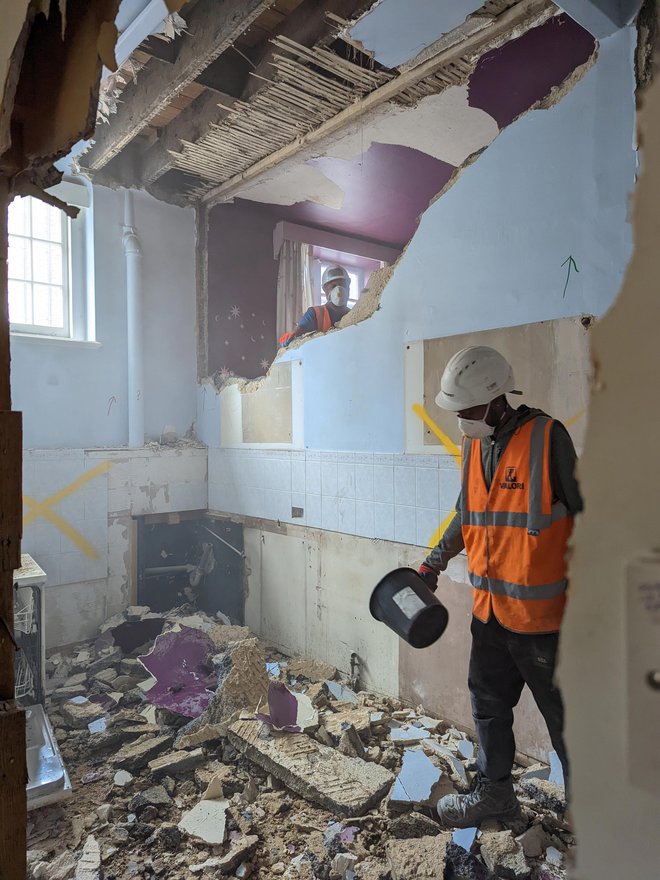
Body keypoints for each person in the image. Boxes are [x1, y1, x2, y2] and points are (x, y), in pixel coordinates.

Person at [417, 346, 582, 828]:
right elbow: (467, 514)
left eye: (468, 410)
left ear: (495, 400)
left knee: (567, 723)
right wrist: (432, 564)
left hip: (543, 621)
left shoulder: (548, 438)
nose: (462, 420)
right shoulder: (474, 444)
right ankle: (495, 797)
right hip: (489, 614)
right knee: (488, 707)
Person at [279, 265, 351, 347]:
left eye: (343, 285)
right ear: (325, 289)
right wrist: (291, 337)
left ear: (348, 287)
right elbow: (300, 330)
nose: (339, 290)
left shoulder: (354, 314)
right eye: (333, 286)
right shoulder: (315, 314)